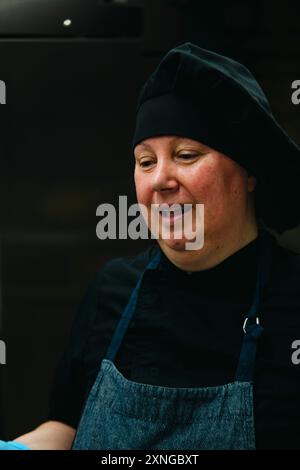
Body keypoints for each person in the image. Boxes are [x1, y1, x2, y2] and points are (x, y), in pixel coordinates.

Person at [1, 42, 300, 450]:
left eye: (186, 154)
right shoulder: (112, 289)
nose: (160, 179)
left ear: (248, 172)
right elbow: (67, 426)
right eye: (145, 161)